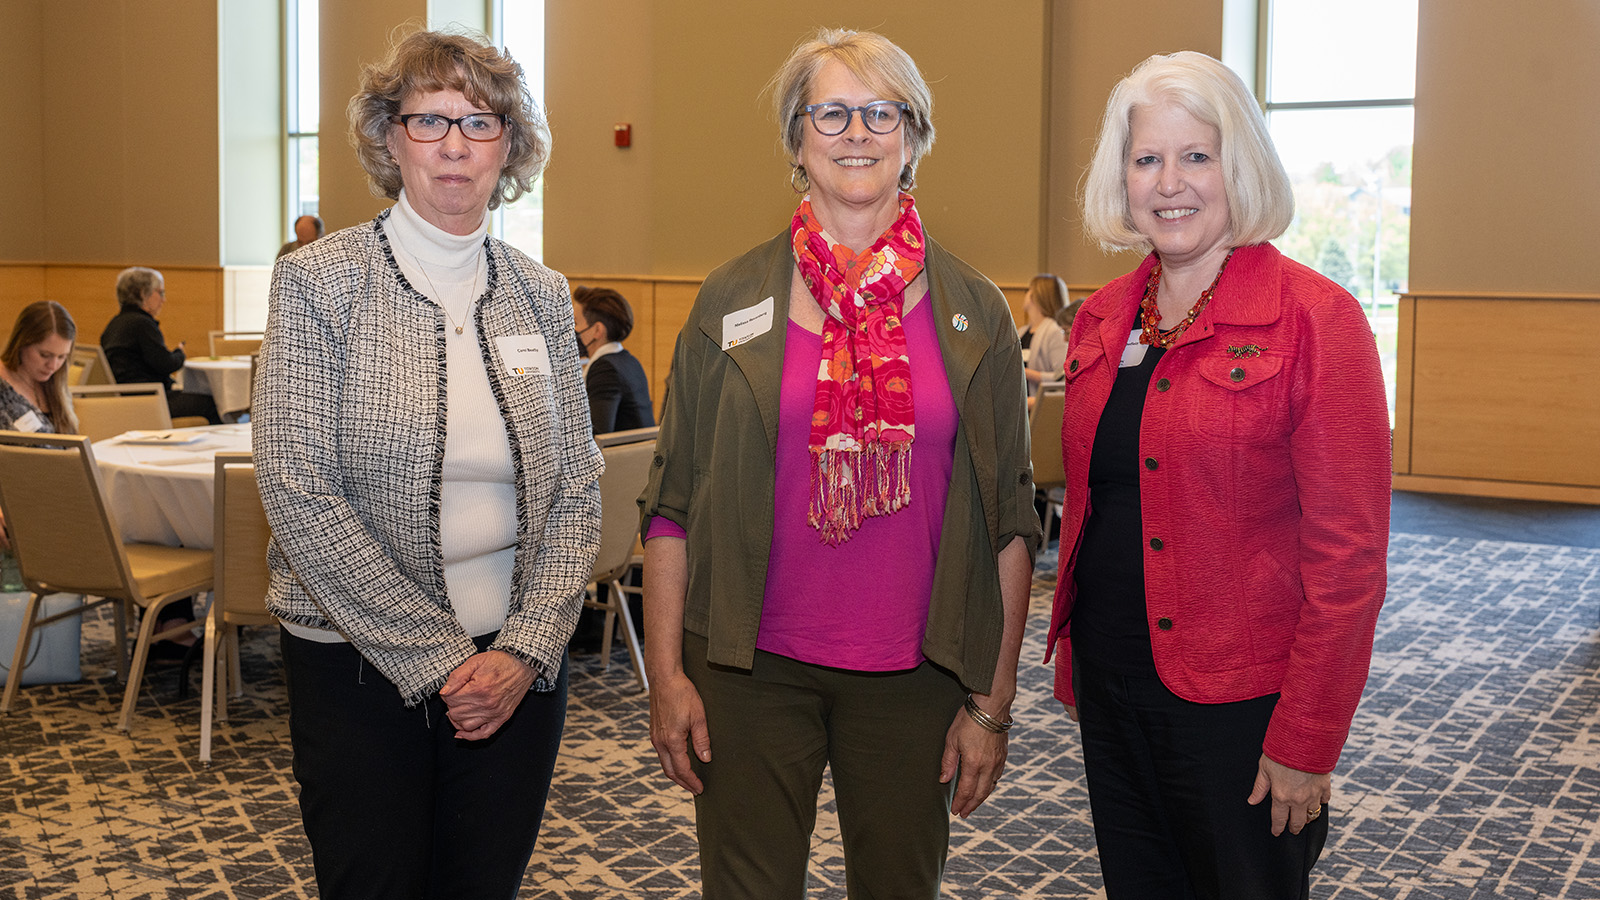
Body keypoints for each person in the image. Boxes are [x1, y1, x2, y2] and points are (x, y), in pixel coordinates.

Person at [640, 28, 1040, 899]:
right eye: (830, 112)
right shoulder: (730, 297)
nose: (856, 133)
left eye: (880, 112)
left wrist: (991, 702)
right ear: (795, 139)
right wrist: (667, 676)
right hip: (748, 672)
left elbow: (1014, 522)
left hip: (916, 673)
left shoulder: (977, 311)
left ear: (913, 136)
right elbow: (670, 505)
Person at [252, 29, 602, 900]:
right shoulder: (320, 282)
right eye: (429, 120)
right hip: (357, 661)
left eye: (480, 122)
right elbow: (297, 488)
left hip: (518, 669)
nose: (454, 144)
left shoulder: (541, 293)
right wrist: (443, 660)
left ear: (510, 146)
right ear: (390, 137)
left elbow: (577, 490)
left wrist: (521, 651)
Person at [1046, 51, 1391, 899]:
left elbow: (1349, 559)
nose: (1171, 183)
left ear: (1240, 166)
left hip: (1244, 704)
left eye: (1197, 156)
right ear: (1120, 177)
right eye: (1147, 158)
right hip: (1112, 681)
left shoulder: (1317, 319)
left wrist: (1307, 737)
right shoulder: (1100, 317)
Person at [0, 301, 79, 558]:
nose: (53, 365)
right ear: (22, 343)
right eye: (45, 355)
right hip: (16, 502)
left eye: (62, 357)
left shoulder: (52, 386)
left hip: (54, 498)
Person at [100, 267, 223, 424]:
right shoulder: (142, 324)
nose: (163, 299)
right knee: (213, 404)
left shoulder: (115, 324)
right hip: (147, 401)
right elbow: (166, 364)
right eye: (160, 293)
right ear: (143, 294)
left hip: (127, 398)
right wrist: (180, 353)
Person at [573, 285, 655, 434]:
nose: (572, 330)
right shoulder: (629, 360)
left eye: (575, 323)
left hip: (623, 457)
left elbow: (597, 435)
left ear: (597, 330)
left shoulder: (605, 369)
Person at [1019, 273, 1070, 395]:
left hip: (1040, 408)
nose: (1025, 294)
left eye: (1029, 290)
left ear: (1037, 295)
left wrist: (1025, 373)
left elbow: (1063, 377)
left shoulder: (1055, 331)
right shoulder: (1022, 331)